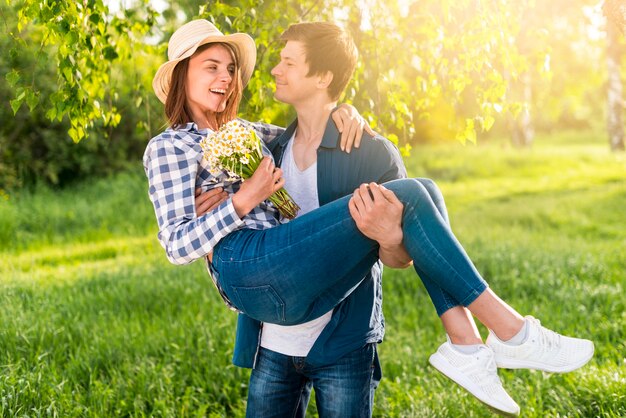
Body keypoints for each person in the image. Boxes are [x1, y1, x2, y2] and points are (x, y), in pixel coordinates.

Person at [144, 20, 594, 417]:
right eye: (211, 67)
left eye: (229, 68)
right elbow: (176, 245)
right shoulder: (168, 147)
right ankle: (509, 333)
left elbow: (315, 124)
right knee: (417, 192)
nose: (225, 78)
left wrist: (346, 111)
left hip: (309, 296)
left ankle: (469, 346)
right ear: (183, 75)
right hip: (250, 272)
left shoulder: (255, 136)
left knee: (424, 192)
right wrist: (241, 200)